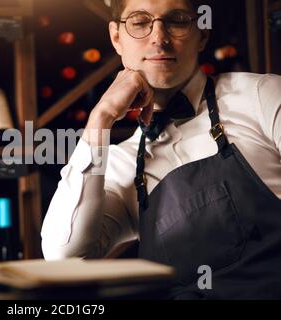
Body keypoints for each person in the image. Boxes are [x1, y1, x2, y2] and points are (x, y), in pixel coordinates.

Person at [41, 0, 281, 299]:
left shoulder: (263, 97)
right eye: (140, 23)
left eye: (177, 20)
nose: (159, 37)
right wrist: (99, 120)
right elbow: (65, 257)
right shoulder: (120, 163)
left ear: (202, 33)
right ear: (117, 38)